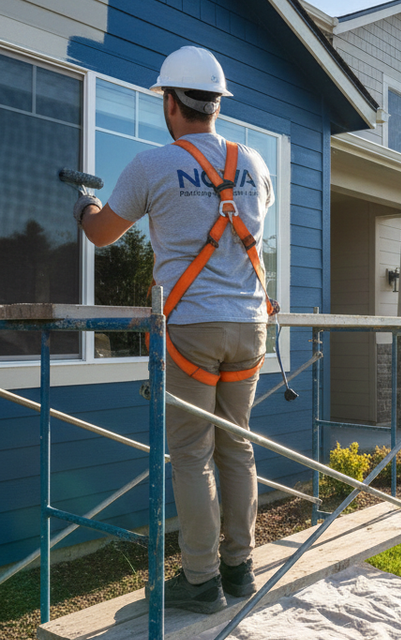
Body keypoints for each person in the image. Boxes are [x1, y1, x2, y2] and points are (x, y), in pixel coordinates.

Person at [74, 46, 274, 614]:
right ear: (216, 104)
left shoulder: (152, 165)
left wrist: (85, 207)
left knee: (191, 454)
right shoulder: (254, 163)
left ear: (169, 102)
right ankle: (240, 570)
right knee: (236, 444)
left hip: (190, 327)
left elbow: (103, 235)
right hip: (250, 325)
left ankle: (202, 580)